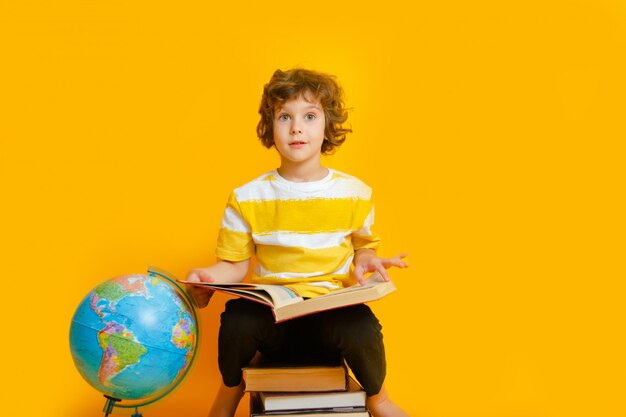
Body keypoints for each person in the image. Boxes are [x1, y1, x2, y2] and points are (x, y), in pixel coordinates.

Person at [186, 68, 409, 417]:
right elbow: (234, 264)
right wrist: (207, 279)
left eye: (309, 116)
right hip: (272, 323)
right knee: (236, 320)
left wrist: (366, 259)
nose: (296, 128)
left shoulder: (354, 193)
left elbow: (364, 247)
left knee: (363, 325)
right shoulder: (247, 197)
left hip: (328, 320)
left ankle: (377, 398)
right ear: (269, 127)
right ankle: (231, 390)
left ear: (327, 127)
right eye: (284, 117)